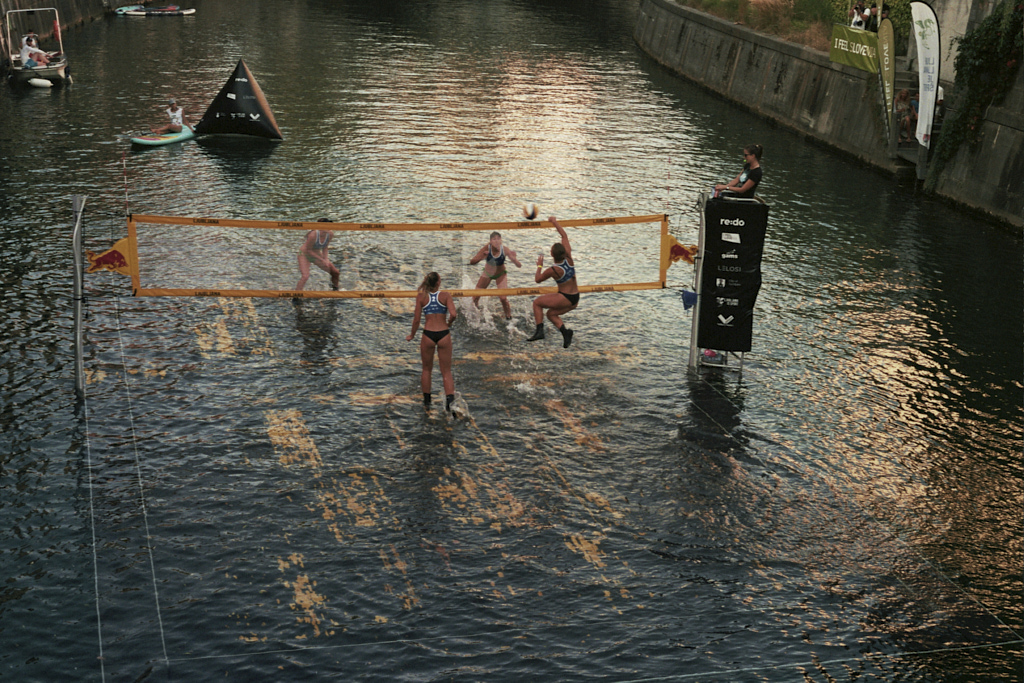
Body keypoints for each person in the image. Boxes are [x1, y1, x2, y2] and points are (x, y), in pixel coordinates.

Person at [407, 272, 458, 412]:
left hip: (428, 334)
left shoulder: (421, 297)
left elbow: (416, 320)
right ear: (438, 283)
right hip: (443, 334)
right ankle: (450, 404)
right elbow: (454, 314)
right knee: (446, 371)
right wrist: (449, 323)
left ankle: (427, 403)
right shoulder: (445, 296)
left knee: (426, 369)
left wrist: (412, 335)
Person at [526, 217, 578, 348]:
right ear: (564, 252)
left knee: (537, 303)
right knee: (550, 314)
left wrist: (539, 266)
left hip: (565, 297)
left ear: (552, 255)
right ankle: (565, 333)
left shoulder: (553, 270)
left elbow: (537, 280)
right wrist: (554, 222)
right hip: (575, 298)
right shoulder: (569, 258)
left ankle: (539, 331)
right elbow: (564, 235)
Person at [469, 231, 522, 319]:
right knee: (475, 297)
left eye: (498, 239)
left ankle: (509, 317)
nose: (496, 241)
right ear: (490, 241)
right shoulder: (486, 249)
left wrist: (515, 259)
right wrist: (482, 257)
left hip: (500, 274)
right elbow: (472, 262)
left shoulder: (505, 249)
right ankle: (475, 314)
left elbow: (519, 265)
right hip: (487, 273)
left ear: (501, 240)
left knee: (503, 298)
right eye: (494, 239)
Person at [296, 218, 341, 291]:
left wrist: (326, 259)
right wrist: (322, 260)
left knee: (335, 273)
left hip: (315, 254)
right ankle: (296, 296)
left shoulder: (330, 233)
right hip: (304, 254)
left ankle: (335, 290)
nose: (329, 227)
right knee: (305, 276)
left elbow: (325, 247)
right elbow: (308, 250)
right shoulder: (313, 235)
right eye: (326, 225)